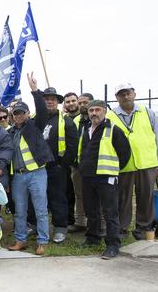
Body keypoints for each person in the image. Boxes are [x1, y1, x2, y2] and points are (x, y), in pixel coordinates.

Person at [7, 73, 53, 255]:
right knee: (20, 211)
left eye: (22, 112)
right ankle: (21, 240)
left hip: (37, 174)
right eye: (16, 113)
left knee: (41, 210)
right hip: (18, 176)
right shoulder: (9, 132)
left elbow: (42, 110)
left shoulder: (35, 125)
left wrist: (35, 91)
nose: (18, 115)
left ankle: (43, 241)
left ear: (27, 114)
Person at [78, 100, 131, 259]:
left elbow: (125, 154)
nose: (94, 113)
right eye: (91, 110)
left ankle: (113, 245)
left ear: (104, 111)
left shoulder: (113, 129)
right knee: (91, 210)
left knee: (110, 212)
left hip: (106, 178)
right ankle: (92, 238)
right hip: (88, 177)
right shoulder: (85, 129)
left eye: (98, 110)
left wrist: (113, 170)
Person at [107, 84, 158, 240]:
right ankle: (122, 229)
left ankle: (143, 228)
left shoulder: (147, 112)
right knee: (123, 199)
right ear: (117, 97)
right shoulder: (110, 115)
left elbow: (156, 136)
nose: (126, 96)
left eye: (128, 93)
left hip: (147, 163)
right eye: (121, 94)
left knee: (146, 197)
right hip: (123, 165)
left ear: (134, 94)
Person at [37, 87, 78, 243]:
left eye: (52, 99)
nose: (49, 101)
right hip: (37, 167)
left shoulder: (66, 121)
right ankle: (38, 226)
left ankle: (60, 228)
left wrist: (63, 165)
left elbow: (72, 146)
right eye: (46, 99)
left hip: (57, 167)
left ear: (58, 102)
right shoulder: (35, 119)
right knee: (39, 198)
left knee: (58, 198)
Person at [67, 92, 93, 233]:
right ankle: (81, 222)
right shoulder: (76, 121)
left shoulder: (98, 119)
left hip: (94, 166)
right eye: (81, 103)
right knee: (79, 195)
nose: (82, 105)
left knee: (95, 196)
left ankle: (97, 224)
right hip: (77, 166)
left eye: (85, 102)